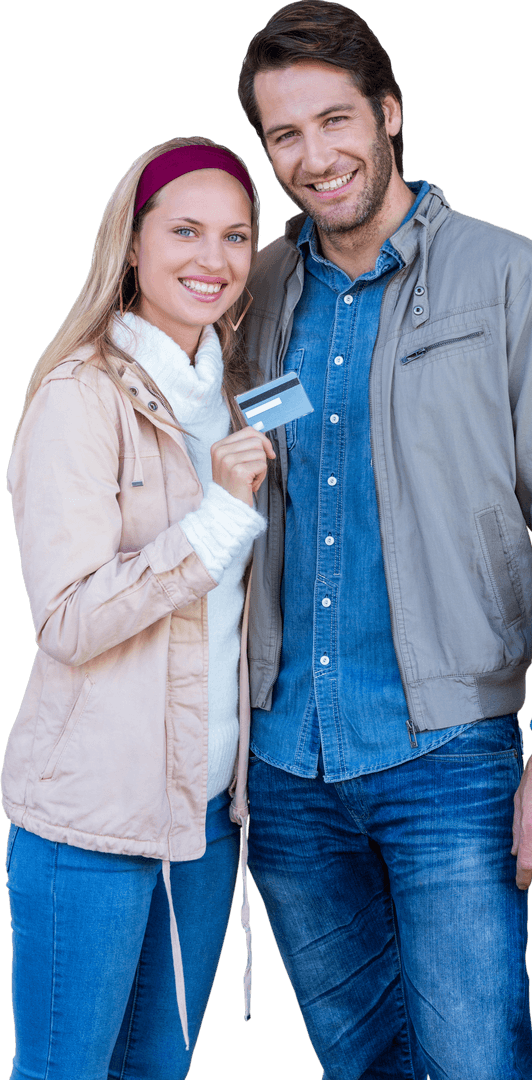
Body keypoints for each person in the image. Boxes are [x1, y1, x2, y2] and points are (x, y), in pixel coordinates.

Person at [236, 4, 532, 1078]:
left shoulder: (512, 279)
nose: (315, 157)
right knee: (364, 1065)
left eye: (335, 119)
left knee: (475, 1063)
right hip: (281, 764)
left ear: (391, 112)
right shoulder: (253, 296)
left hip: (446, 758)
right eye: (284, 135)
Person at [2, 135, 275, 1080]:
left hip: (203, 818)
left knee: (156, 1073)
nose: (214, 260)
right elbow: (69, 619)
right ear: (131, 243)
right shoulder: (79, 399)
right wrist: (214, 523)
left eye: (236, 236)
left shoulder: (237, 398)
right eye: (186, 231)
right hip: (90, 821)